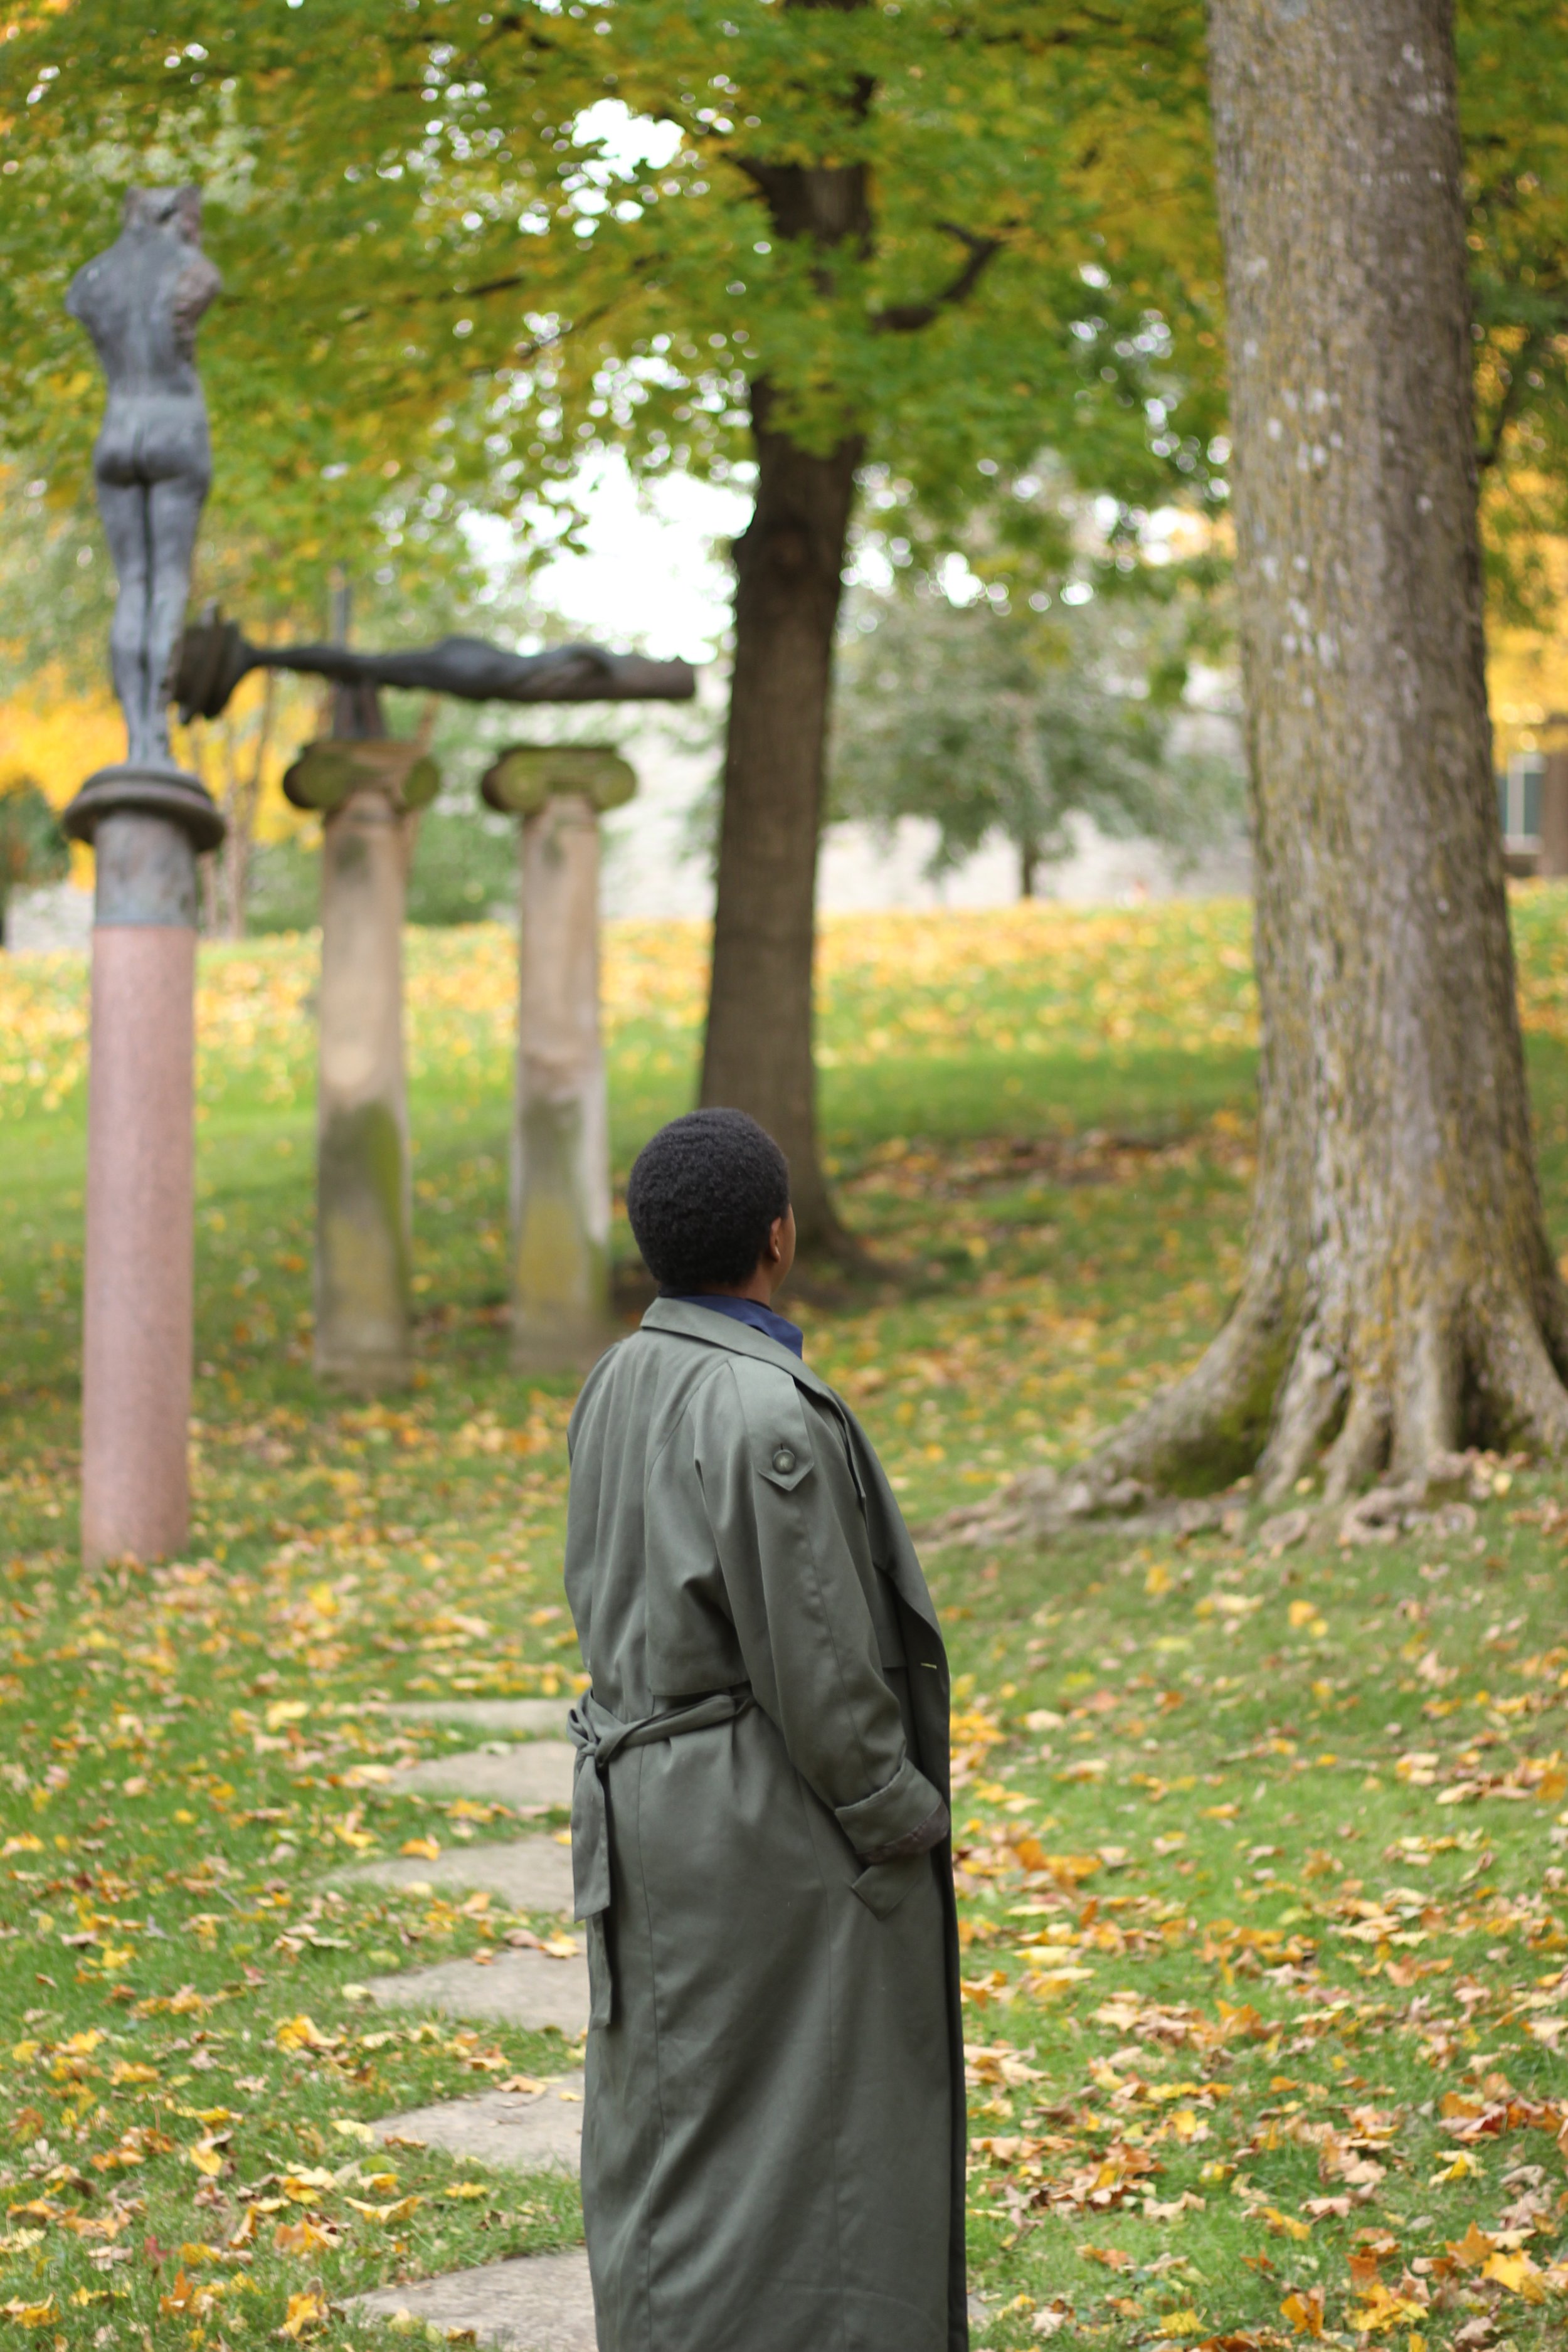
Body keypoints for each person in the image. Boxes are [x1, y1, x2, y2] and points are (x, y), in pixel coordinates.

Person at [564, 1108, 967, 2352]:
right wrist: (894, 1812)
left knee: (680, 2134)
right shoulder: (757, 1409)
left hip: (644, 1815)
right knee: (806, 2150)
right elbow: (817, 1657)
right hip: (757, 1830)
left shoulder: (619, 1377)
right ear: (779, 1239)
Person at [66, 186, 221, 770]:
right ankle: (153, 738)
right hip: (176, 427)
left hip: (118, 427)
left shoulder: (93, 281)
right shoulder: (194, 272)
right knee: (167, 582)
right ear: (168, 216)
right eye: (192, 217)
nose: (196, 228)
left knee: (132, 586)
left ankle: (136, 735)